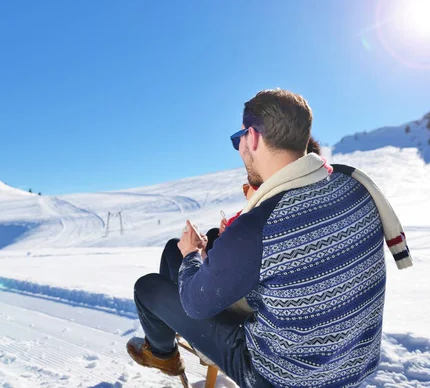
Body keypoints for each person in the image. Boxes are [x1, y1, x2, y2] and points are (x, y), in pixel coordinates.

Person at [126, 88, 412, 388]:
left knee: (149, 286)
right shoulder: (355, 186)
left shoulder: (261, 225)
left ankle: (163, 353)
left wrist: (191, 254)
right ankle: (178, 349)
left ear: (253, 137)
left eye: (238, 139)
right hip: (356, 366)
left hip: (278, 379)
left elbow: (196, 305)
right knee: (197, 250)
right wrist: (230, 248)